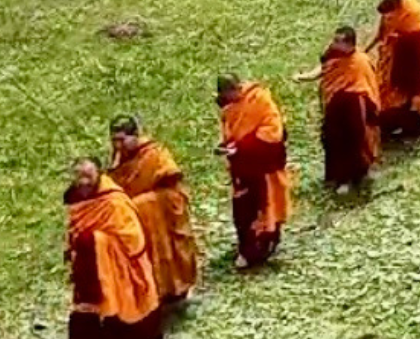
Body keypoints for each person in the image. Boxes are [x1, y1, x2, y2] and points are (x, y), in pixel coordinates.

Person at [63, 157, 162, 339]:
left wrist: (96, 241)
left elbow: (133, 238)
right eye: (79, 177)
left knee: (121, 306)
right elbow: (75, 227)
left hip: (119, 267)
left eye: (88, 176)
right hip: (89, 266)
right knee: (88, 308)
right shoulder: (77, 200)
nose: (83, 181)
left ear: (98, 175)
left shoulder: (114, 202)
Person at [108, 117, 199, 306]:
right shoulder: (119, 160)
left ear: (135, 136)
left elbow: (172, 188)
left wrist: (141, 204)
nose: (118, 145)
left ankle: (176, 290)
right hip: (135, 220)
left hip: (161, 215)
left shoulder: (155, 155)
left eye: (122, 139)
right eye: (114, 140)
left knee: (168, 253)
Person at [216, 74, 291, 269]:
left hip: (263, 165)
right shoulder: (229, 107)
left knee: (265, 207)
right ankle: (247, 246)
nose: (230, 98)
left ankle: (263, 246)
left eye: (231, 93)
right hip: (242, 167)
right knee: (242, 210)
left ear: (238, 87)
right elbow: (229, 129)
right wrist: (227, 146)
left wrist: (243, 146)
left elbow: (273, 130)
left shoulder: (259, 99)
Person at [295, 27, 381, 192]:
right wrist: (304, 77)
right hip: (335, 105)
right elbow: (324, 68)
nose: (333, 44)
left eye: (337, 41)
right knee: (332, 141)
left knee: (354, 142)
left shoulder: (361, 61)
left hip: (354, 107)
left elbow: (369, 86)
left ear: (349, 44)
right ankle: (336, 177)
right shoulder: (333, 55)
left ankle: (354, 177)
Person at [372, 0, 420, 140]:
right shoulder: (389, 7)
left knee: (410, 96)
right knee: (387, 93)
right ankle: (388, 124)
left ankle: (412, 128)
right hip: (391, 58)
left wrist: (401, 41)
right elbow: (382, 32)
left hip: (412, 59)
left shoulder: (414, 12)